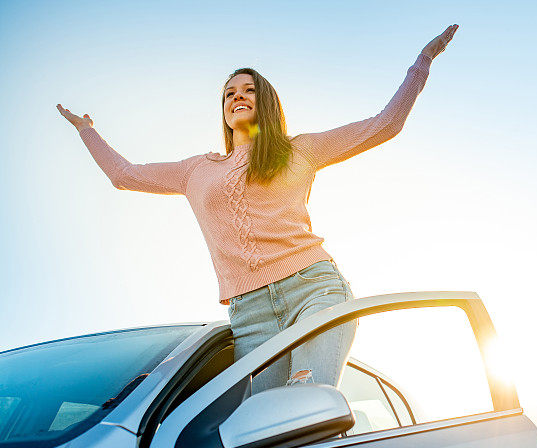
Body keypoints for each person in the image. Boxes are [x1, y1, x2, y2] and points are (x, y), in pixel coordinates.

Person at [57, 24, 459, 396]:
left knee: (305, 407)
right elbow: (124, 175)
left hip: (314, 289)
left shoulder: (298, 150)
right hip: (249, 314)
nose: (237, 97)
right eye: (229, 93)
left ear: (264, 101)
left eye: (247, 90)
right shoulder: (195, 170)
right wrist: (85, 129)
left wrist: (422, 61)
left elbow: (385, 124)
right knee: (258, 430)